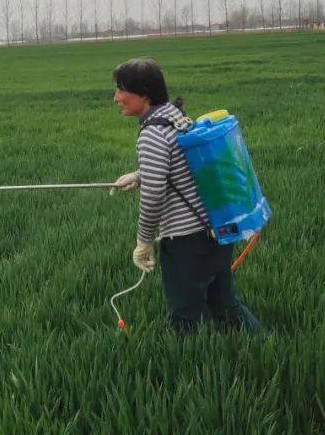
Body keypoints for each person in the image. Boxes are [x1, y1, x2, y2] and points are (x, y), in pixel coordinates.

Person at [111, 57, 260, 333]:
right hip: (215, 229)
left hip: (186, 242)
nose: (116, 98)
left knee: (184, 317)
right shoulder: (175, 116)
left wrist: (144, 241)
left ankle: (192, 359)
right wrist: (140, 175)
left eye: (121, 90)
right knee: (225, 304)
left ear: (143, 93)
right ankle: (263, 344)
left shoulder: (151, 134)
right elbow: (179, 163)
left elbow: (153, 196)